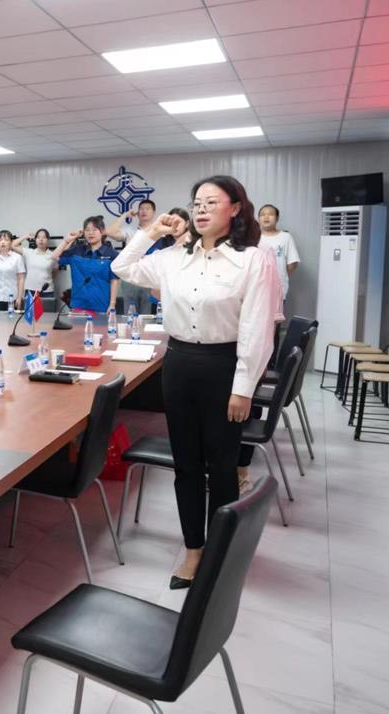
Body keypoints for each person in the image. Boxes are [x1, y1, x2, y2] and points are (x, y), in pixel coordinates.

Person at [111, 175, 278, 589]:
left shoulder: (253, 260)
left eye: (211, 202)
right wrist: (152, 231)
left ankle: (219, 548)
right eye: (196, 203)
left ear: (235, 208)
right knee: (186, 465)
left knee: (221, 465)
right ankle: (193, 549)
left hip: (224, 366)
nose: (201, 210)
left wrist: (243, 387)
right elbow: (122, 267)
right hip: (180, 364)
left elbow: (257, 329)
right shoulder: (172, 257)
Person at [51, 216, 118, 315]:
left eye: (94, 230)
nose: (90, 233)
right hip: (78, 306)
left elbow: (114, 281)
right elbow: (54, 256)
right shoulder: (77, 251)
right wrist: (67, 240)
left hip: (102, 307)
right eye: (87, 230)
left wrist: (112, 304)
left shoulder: (111, 254)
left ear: (102, 232)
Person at [106, 199, 159, 314]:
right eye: (141, 209)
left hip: (149, 278)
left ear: (154, 212)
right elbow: (109, 232)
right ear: (137, 213)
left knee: (147, 316)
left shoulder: (160, 233)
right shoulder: (131, 232)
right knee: (129, 315)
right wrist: (125, 215)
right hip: (130, 278)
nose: (144, 211)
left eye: (147, 208)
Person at [257, 204, 299, 307]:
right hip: (256, 289)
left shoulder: (286, 237)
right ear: (258, 219)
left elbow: (292, 263)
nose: (266, 217)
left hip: (278, 289)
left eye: (270, 214)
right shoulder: (253, 237)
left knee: (275, 316)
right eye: (262, 214)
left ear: (277, 218)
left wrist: (280, 276)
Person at [0, 230, 26, 311]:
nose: (3, 242)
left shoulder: (17, 258)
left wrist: (19, 297)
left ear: (11, 242)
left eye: (6, 240)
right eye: (0, 240)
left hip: (12, 297)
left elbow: (21, 279)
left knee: (12, 318)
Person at [16, 228, 57, 303]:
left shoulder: (53, 255)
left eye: (44, 237)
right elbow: (12, 245)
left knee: (47, 311)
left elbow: (55, 271)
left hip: (47, 291)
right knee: (30, 310)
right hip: (30, 290)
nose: (41, 239)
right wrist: (25, 236)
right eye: (38, 237)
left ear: (48, 240)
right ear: (35, 240)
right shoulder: (29, 252)